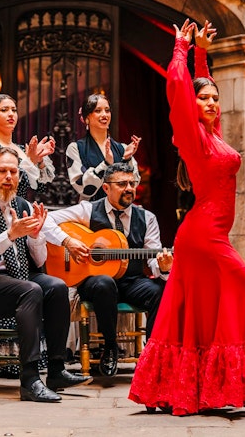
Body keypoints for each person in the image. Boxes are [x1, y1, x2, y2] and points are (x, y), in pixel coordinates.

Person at [128, 19, 245, 416]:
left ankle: (207, 389)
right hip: (204, 238)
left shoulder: (213, 133)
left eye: (216, 100)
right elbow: (179, 91)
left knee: (204, 317)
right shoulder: (191, 136)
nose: (212, 104)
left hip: (208, 236)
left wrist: (203, 55)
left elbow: (203, 94)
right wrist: (180, 49)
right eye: (204, 100)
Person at [0, 146, 91, 402]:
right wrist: (10, 235)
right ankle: (29, 380)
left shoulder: (22, 204)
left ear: (19, 175)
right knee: (31, 289)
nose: (8, 176)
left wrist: (36, 238)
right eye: (2, 171)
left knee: (56, 286)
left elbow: (38, 260)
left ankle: (57, 370)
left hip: (15, 281)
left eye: (13, 171)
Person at [45, 161, 171, 376]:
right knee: (104, 283)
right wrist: (69, 242)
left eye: (132, 183)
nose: (129, 188)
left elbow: (152, 259)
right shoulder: (87, 210)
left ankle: (152, 355)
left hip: (131, 281)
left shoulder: (147, 218)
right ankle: (110, 347)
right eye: (122, 184)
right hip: (95, 282)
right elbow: (47, 220)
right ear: (106, 188)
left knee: (159, 291)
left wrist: (163, 266)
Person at [0, 93, 55, 198]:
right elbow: (8, 187)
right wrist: (30, 161)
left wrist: (39, 160)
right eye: (4, 110)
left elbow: (41, 189)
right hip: (2, 209)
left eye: (14, 110)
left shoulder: (22, 149)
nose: (11, 114)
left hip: (29, 207)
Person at [66, 92, 141, 202]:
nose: (104, 115)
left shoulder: (123, 148)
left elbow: (134, 183)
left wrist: (127, 159)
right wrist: (105, 164)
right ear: (87, 118)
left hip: (120, 211)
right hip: (91, 212)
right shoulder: (76, 148)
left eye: (107, 110)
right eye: (98, 111)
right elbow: (83, 188)